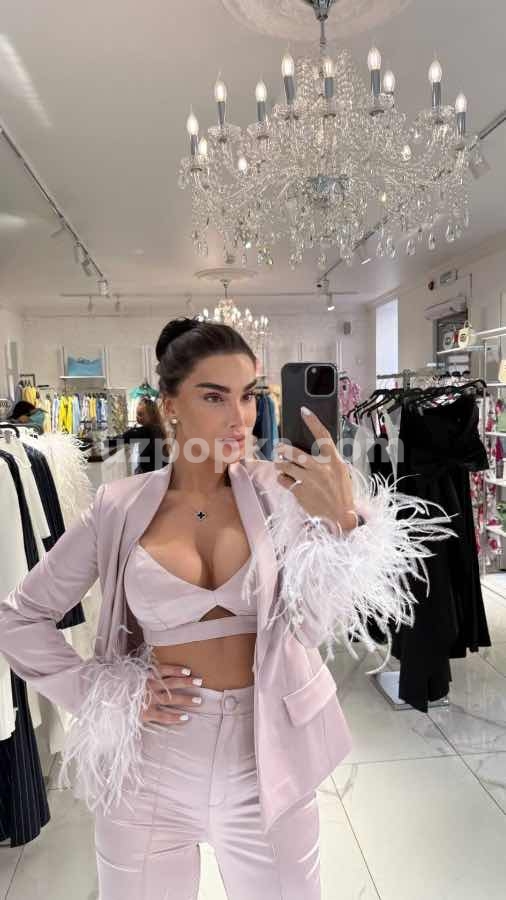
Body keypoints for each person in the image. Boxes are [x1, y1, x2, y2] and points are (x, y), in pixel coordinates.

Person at [0, 317, 450, 899]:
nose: (240, 417)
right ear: (170, 406)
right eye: (214, 397)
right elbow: (18, 618)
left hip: (268, 759)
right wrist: (103, 692)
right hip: (150, 766)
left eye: (249, 395)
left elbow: (311, 626)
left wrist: (340, 526)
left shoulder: (281, 493)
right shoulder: (118, 506)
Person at [105, 395, 167, 473]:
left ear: (151, 415)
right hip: (159, 472)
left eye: (140, 414)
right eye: (137, 414)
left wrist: (105, 442)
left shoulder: (146, 431)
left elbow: (123, 438)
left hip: (152, 474)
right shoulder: (159, 428)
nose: (137, 417)